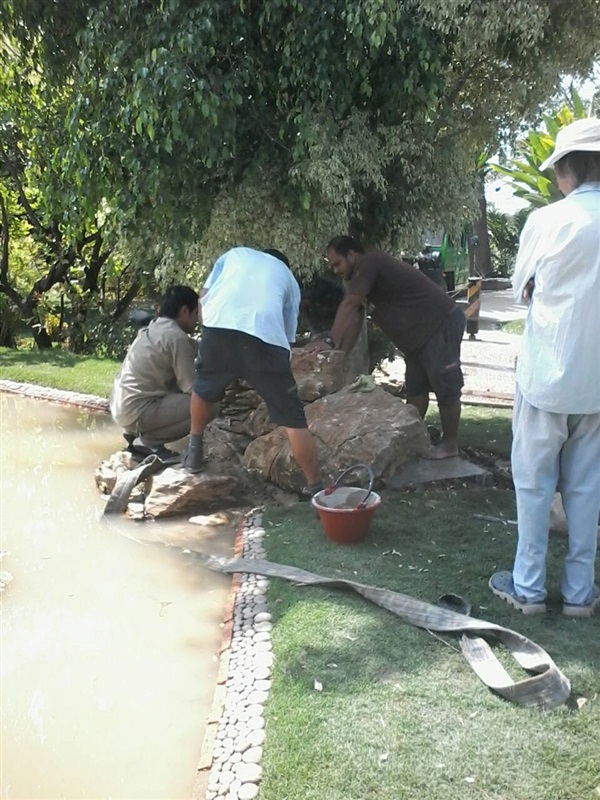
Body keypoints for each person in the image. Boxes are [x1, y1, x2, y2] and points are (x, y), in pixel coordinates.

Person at [489, 117, 600, 618]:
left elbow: (520, 289)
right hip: (596, 385)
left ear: (567, 170)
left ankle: (529, 589)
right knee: (586, 488)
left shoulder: (546, 221)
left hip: (546, 377)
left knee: (533, 486)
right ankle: (580, 593)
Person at [183, 246, 324, 496]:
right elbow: (286, 336)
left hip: (219, 327)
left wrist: (211, 333)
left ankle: (194, 453)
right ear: (284, 264)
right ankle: (317, 490)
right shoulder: (289, 280)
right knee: (293, 419)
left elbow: (203, 297)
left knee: (203, 389)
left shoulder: (235, 255)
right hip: (264, 339)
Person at [311, 236, 466, 458]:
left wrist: (329, 340)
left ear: (352, 255)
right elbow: (356, 317)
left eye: (337, 263)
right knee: (415, 388)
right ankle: (410, 438)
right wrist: (341, 355)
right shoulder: (358, 277)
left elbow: (350, 304)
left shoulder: (370, 262)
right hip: (416, 339)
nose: (335, 270)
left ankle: (450, 445)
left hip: (438, 324)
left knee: (446, 385)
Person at [110, 285, 199, 458]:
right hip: (138, 411)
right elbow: (192, 388)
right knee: (207, 406)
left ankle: (138, 435)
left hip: (122, 409)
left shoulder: (154, 327)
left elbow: (192, 346)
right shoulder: (176, 337)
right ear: (184, 311)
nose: (197, 320)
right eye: (196, 314)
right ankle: (148, 441)